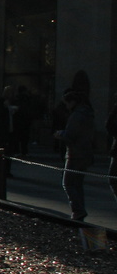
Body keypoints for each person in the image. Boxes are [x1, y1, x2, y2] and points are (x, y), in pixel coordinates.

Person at [55, 87, 95, 222]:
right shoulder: (88, 113)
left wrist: (60, 135)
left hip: (75, 153)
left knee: (68, 183)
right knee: (78, 184)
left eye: (67, 103)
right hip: (85, 152)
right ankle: (79, 210)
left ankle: (78, 210)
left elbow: (71, 135)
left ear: (72, 102)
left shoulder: (76, 115)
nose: (66, 106)